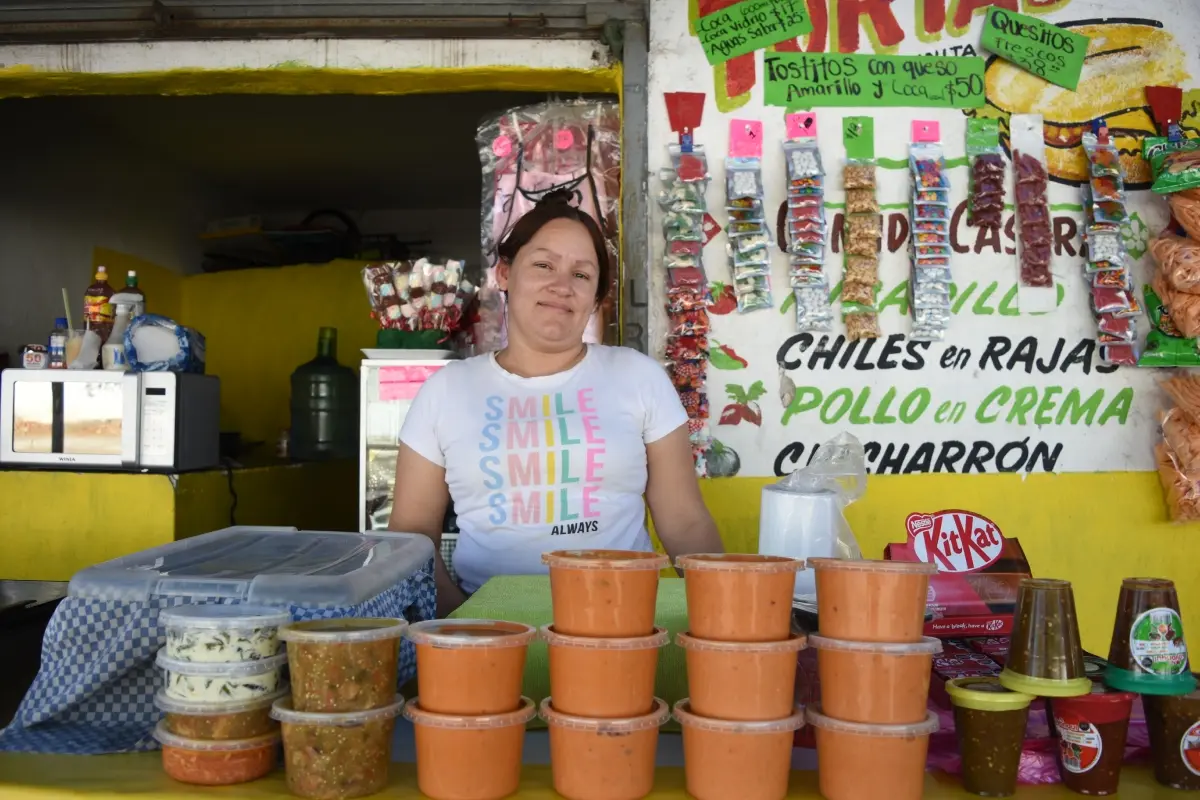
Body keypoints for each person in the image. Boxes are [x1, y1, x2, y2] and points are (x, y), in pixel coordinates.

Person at [389, 191, 723, 616]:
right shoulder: (446, 391)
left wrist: (724, 614)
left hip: (626, 621)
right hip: (489, 626)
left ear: (597, 296)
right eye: (544, 265)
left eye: (581, 275)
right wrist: (464, 623)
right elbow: (411, 535)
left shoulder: (639, 377)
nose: (561, 286)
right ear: (505, 274)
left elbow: (685, 522)